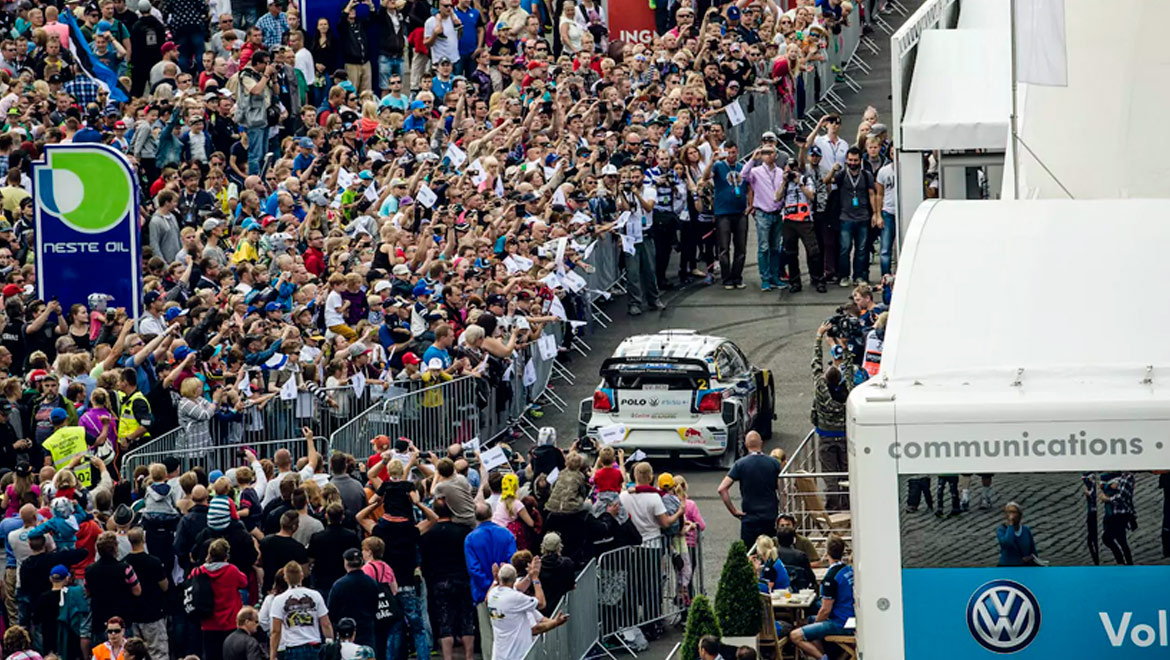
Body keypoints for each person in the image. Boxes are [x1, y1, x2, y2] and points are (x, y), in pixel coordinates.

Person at [485, 563, 568, 660]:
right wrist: (535, 578)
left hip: (499, 656)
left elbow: (487, 598)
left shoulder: (492, 595)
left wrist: (495, 579)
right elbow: (541, 603)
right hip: (518, 655)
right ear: (515, 578)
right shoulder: (516, 598)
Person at [790, 536, 854, 660]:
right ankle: (825, 653)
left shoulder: (830, 578)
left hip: (839, 623)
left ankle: (823, 658)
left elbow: (825, 611)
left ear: (827, 552)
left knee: (795, 635)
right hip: (850, 618)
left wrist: (816, 624)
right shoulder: (847, 570)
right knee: (807, 620)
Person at [717, 431, 782, 544]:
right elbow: (783, 491)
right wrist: (782, 512)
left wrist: (734, 511)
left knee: (750, 555)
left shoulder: (740, 464)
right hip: (770, 516)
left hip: (750, 518)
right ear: (761, 443)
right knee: (771, 551)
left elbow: (722, 489)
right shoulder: (774, 463)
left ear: (746, 444)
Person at [269, 561, 332, 660]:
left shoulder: (279, 600)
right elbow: (326, 623)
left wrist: (272, 655)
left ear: (286, 578)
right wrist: (330, 643)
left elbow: (276, 631)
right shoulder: (315, 595)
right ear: (302, 575)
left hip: (293, 647)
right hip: (314, 646)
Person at [834, 147, 879, 287]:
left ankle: (859, 275)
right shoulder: (841, 175)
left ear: (860, 161)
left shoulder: (867, 176)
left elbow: (872, 194)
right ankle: (844, 275)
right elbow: (828, 185)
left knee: (862, 249)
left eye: (855, 160)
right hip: (845, 217)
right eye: (850, 160)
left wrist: (876, 213)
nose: (853, 163)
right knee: (844, 248)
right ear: (846, 160)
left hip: (863, 217)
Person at [996, 502, 1039, 566]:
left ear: (1020, 515)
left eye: (1014, 512)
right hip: (1007, 567)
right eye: (1009, 512)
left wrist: (1029, 557)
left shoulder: (1026, 530)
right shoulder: (1001, 530)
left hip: (1024, 567)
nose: (1011, 515)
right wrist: (1011, 525)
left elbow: (1033, 551)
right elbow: (1007, 543)